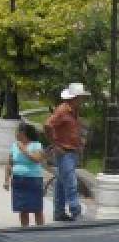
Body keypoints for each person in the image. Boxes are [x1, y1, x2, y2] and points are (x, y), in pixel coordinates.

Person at [47, 82, 90, 222]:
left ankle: (59, 212)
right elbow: (48, 125)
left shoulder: (73, 111)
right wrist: (54, 144)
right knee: (71, 182)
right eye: (81, 97)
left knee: (61, 183)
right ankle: (76, 211)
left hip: (70, 151)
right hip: (65, 151)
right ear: (74, 97)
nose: (83, 100)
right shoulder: (63, 110)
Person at [4, 121, 46, 227]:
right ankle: (25, 230)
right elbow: (9, 163)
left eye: (17, 131)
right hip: (18, 179)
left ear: (23, 133)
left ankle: (40, 229)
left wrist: (24, 150)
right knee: (22, 209)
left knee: (37, 208)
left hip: (33, 179)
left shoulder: (36, 145)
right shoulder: (14, 145)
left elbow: (38, 159)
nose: (15, 134)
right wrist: (6, 180)